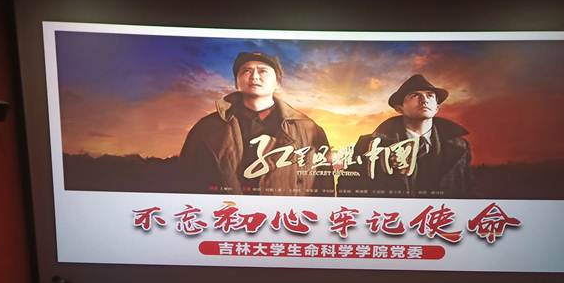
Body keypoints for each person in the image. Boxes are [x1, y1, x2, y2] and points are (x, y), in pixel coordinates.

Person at [178, 51, 333, 196]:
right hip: (226, 213)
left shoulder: (309, 129)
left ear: (277, 82)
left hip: (285, 215)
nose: (254, 77)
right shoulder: (206, 128)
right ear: (236, 82)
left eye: (263, 71)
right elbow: (184, 180)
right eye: (246, 71)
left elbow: (324, 186)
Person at [341, 74, 472, 197]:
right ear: (399, 108)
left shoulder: (460, 146)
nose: (424, 100)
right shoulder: (369, 145)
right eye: (415, 95)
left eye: (430, 96)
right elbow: (348, 187)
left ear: (437, 108)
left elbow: (468, 190)